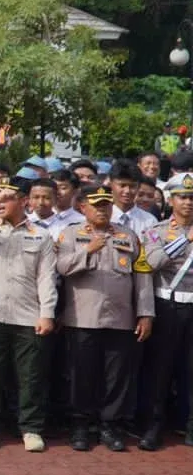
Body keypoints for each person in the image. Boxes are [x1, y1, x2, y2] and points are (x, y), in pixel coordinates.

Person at [53, 186, 155, 452]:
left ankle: (110, 426)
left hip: (120, 318)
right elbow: (61, 267)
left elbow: (142, 277)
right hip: (82, 318)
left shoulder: (128, 235)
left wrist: (145, 313)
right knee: (81, 375)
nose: (102, 210)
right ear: (83, 208)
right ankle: (81, 426)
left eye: (106, 205)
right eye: (96, 205)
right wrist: (88, 250)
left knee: (116, 377)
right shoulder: (71, 234)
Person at [0, 183, 58, 452]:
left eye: (9, 198)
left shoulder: (40, 235)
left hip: (27, 315)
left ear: (24, 201)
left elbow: (46, 278)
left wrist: (47, 313)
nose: (3, 203)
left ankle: (31, 428)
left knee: (30, 376)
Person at [139, 172, 193, 450]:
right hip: (167, 305)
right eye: (183, 197)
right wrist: (185, 240)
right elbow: (154, 261)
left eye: (192, 198)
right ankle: (154, 425)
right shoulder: (156, 230)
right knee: (160, 369)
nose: (188, 203)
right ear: (172, 200)